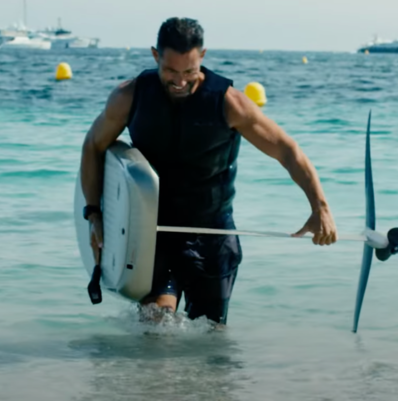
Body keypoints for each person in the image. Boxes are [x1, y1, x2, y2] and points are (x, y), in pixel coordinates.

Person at [79, 17, 337, 326]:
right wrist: (94, 214)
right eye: (170, 71)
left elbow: (287, 150)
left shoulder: (230, 104)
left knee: (209, 336)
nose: (179, 81)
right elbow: (94, 145)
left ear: (202, 56)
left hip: (212, 232)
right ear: (154, 56)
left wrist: (319, 207)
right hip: (151, 230)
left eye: (189, 71)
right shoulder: (130, 97)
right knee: (156, 325)